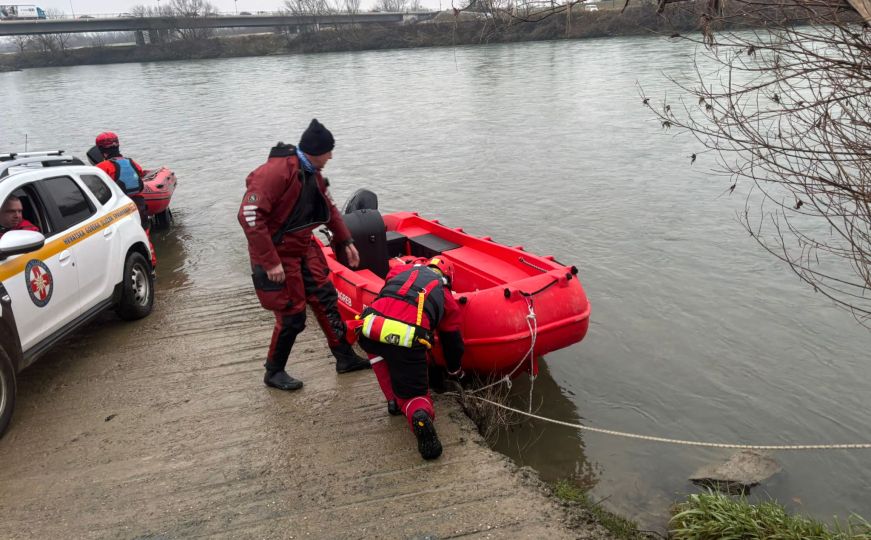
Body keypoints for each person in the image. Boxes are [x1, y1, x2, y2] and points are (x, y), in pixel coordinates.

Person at [238, 118, 370, 392]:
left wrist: (346, 241)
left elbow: (330, 210)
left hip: (302, 246)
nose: (331, 156)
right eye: (328, 152)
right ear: (315, 151)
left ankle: (344, 358)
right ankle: (273, 372)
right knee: (292, 316)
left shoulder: (314, 175)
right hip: (277, 251)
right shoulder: (274, 173)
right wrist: (270, 261)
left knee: (325, 298)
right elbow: (249, 215)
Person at [350, 256, 465, 460]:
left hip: (370, 326)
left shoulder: (399, 272)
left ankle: (393, 402)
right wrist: (454, 371)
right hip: (407, 338)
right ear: (448, 277)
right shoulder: (445, 295)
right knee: (415, 396)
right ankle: (418, 415)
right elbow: (452, 341)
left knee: (378, 355)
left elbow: (390, 287)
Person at [94, 132, 148, 228]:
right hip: (139, 205)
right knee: (144, 235)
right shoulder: (132, 162)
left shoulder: (100, 168)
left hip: (119, 209)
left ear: (100, 149)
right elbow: (140, 174)